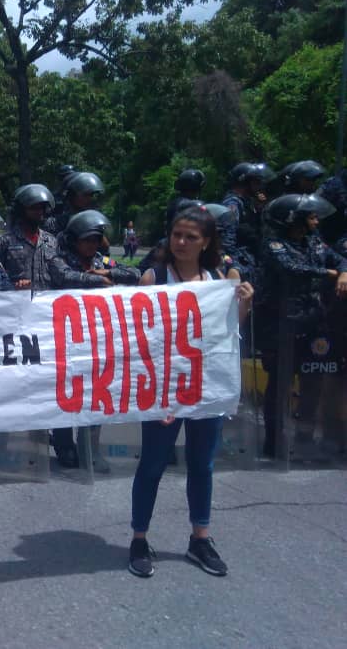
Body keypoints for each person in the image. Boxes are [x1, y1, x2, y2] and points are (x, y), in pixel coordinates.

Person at [128, 206, 253, 578]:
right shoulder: (154, 277)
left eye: (190, 237)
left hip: (206, 388)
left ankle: (200, 538)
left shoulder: (220, 277)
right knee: (152, 464)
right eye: (176, 234)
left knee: (202, 464)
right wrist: (160, 396)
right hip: (163, 390)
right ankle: (138, 538)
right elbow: (138, 339)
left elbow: (230, 332)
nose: (180, 242)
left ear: (207, 242)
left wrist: (243, 301)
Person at [254, 194, 347, 459]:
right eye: (311, 216)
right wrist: (329, 275)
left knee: (313, 380)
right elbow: (291, 268)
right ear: (293, 219)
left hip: (314, 321)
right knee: (280, 384)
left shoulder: (315, 243)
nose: (317, 221)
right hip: (280, 325)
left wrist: (343, 272)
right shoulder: (274, 245)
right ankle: (273, 442)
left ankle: (305, 437)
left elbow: (337, 258)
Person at [48, 210, 140, 471]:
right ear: (74, 240)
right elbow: (65, 277)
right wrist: (98, 278)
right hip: (66, 340)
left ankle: (90, 448)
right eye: (86, 239)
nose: (91, 245)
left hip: (98, 341)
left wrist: (106, 273)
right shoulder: (59, 259)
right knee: (66, 395)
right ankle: (64, 446)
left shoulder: (102, 260)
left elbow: (134, 273)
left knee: (96, 394)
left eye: (95, 239)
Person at [0, 184, 59, 291]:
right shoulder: (5, 241)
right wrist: (13, 286)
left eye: (41, 208)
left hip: (45, 304)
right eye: (33, 208)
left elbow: (59, 276)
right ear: (22, 210)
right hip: (16, 303)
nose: (38, 212)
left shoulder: (51, 241)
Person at [43, 171, 104, 236]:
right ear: (71, 195)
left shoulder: (92, 219)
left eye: (91, 195)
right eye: (85, 194)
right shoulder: (57, 222)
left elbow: (104, 245)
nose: (90, 199)